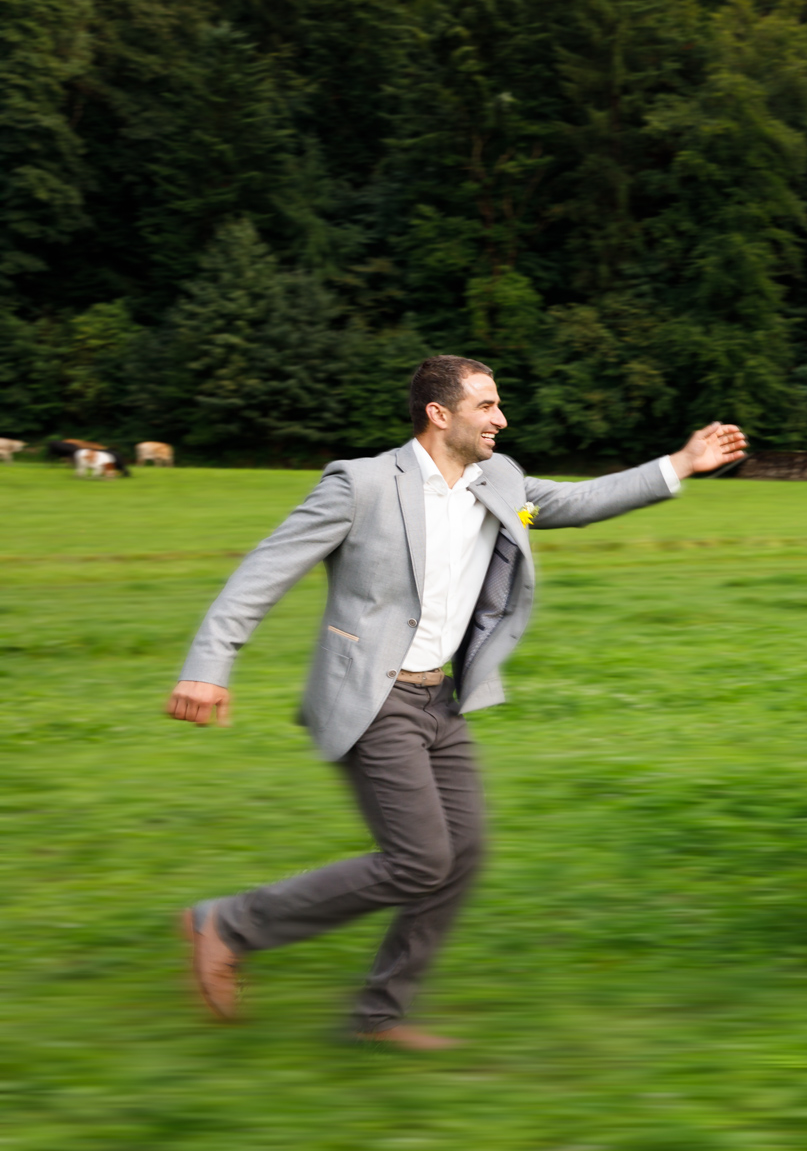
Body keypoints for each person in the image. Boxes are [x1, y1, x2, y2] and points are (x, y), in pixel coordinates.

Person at [167, 355, 746, 1049]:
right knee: (417, 859)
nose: (501, 419)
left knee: (462, 852)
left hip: (440, 698)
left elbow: (570, 504)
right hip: (373, 698)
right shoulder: (363, 485)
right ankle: (228, 925)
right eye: (486, 406)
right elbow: (266, 569)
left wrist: (679, 463)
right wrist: (209, 664)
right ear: (439, 415)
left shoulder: (499, 484)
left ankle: (381, 1015)